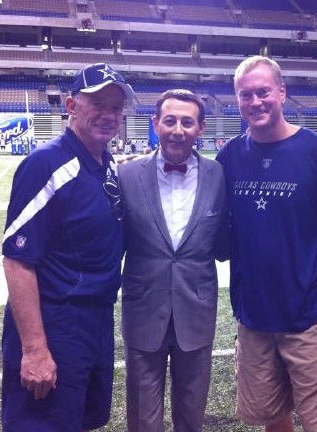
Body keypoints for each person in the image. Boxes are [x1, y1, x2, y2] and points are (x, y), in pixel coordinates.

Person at [216, 55, 317, 432]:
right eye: (246, 95)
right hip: (254, 314)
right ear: (237, 100)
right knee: (271, 415)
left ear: (282, 92)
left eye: (263, 92)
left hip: (310, 313)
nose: (255, 102)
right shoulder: (229, 157)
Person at [1, 62, 135, 432]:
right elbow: (17, 261)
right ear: (71, 106)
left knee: (82, 418)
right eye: (98, 104)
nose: (109, 115)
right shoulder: (46, 163)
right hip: (57, 321)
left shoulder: (105, 162)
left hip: (96, 319)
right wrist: (35, 349)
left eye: (116, 107)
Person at [118, 89, 227, 432]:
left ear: (201, 128)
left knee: (191, 416)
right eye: (169, 121)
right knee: (143, 419)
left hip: (196, 310)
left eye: (187, 122)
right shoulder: (127, 175)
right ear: (155, 124)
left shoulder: (218, 175)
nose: (177, 129)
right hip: (143, 310)